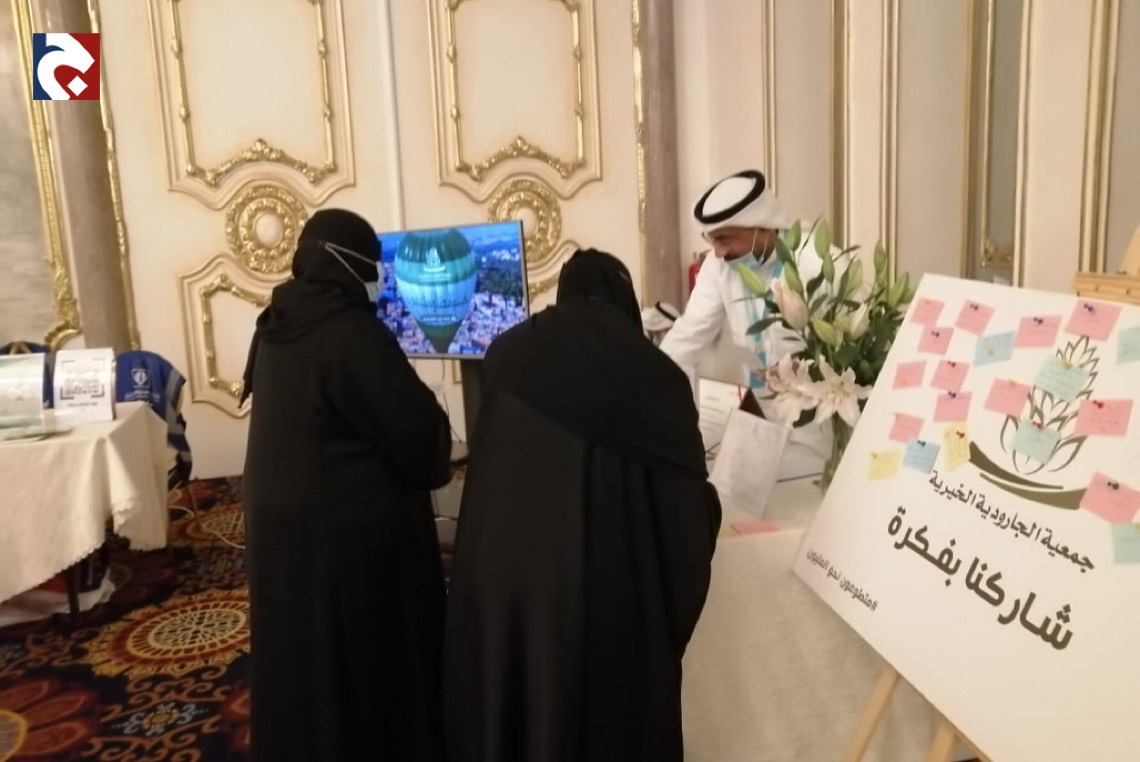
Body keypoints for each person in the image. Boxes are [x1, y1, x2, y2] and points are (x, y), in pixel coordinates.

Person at [443, 248, 722, 762]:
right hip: (612, 618)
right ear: (626, 302)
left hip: (512, 600)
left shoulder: (506, 356)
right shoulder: (658, 378)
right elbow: (685, 520)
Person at [240, 209, 453, 762]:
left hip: (279, 533)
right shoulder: (350, 334)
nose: (377, 279)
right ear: (347, 264)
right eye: (373, 266)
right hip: (344, 543)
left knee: (303, 664)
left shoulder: (277, 320)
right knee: (357, 669)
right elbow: (421, 442)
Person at [660, 169, 831, 472]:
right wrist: (648, 380)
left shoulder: (816, 263)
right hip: (761, 419)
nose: (718, 252)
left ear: (761, 227)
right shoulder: (718, 268)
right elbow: (688, 335)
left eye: (725, 239)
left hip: (817, 425)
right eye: (712, 240)